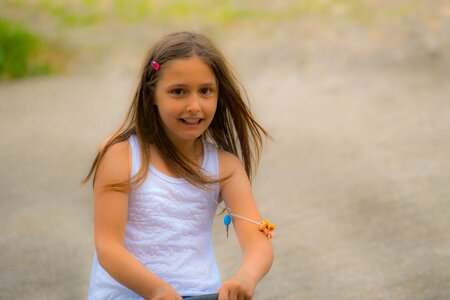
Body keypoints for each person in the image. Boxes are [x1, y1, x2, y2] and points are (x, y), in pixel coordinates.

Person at [83, 31, 274, 300]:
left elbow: (259, 243)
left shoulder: (225, 167)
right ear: (152, 95)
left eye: (205, 91)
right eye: (178, 92)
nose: (194, 105)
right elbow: (108, 248)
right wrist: (157, 290)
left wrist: (246, 277)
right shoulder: (121, 154)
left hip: (200, 294)